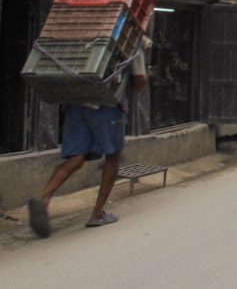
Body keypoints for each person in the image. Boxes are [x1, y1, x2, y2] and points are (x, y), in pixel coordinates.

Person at [28, 38, 149, 238]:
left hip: (76, 105)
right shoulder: (131, 41)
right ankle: (98, 213)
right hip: (107, 108)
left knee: (76, 158)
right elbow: (139, 82)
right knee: (113, 158)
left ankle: (44, 198)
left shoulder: (84, 37)